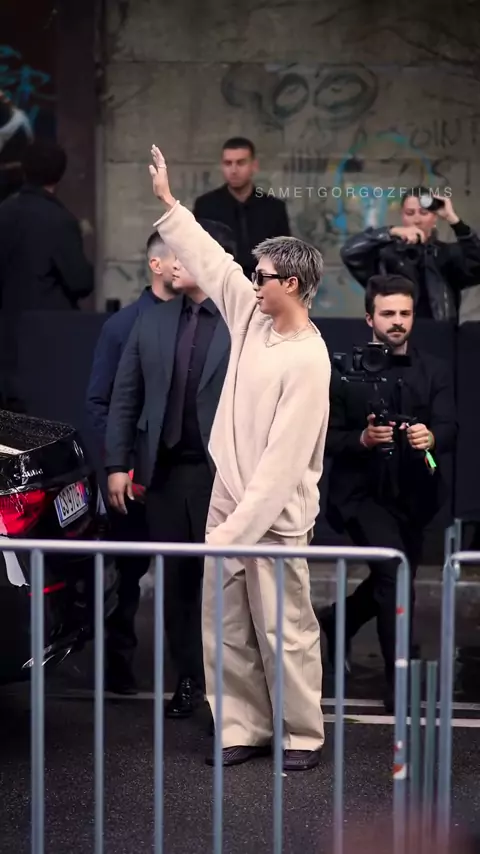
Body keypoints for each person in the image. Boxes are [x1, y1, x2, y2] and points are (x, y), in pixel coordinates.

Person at [149, 143, 331, 771]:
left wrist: (232, 533)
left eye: (264, 276)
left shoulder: (308, 358)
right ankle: (241, 726)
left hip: (276, 515)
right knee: (224, 623)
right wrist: (170, 204)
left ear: (293, 285)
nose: (252, 282)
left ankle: (301, 734)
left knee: (285, 629)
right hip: (229, 494)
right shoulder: (251, 316)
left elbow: (282, 466)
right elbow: (212, 260)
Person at [105, 219, 234, 718]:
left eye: (183, 253)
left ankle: (229, 690)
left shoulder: (241, 319)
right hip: (164, 474)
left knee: (222, 584)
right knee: (175, 583)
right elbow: (125, 395)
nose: (172, 263)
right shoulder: (153, 320)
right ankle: (188, 679)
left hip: (220, 474)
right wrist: (118, 464)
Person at [321, 274, 456, 712]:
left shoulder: (434, 369)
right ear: (369, 318)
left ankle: (339, 619)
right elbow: (325, 437)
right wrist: (361, 439)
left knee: (395, 578)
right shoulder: (345, 371)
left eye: (405, 313)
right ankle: (398, 682)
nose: (397, 321)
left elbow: (450, 427)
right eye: (388, 313)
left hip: (415, 494)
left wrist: (430, 437)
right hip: (361, 495)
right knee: (395, 576)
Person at [85, 231, 176, 694]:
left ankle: (189, 673)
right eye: (179, 255)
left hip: (181, 475)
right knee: (125, 576)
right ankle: (116, 664)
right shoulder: (123, 326)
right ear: (157, 264)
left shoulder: (201, 320)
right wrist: (120, 464)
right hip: (134, 476)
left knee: (187, 575)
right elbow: (101, 402)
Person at [0, 138, 94, 411]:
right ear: (60, 174)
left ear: (24, 169)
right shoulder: (59, 220)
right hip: (46, 341)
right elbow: (80, 282)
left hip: (6, 341)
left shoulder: (4, 212)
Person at [340, 186, 480, 321]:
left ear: (435, 217)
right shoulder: (386, 254)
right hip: (395, 331)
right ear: (402, 216)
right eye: (410, 213)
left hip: (440, 332)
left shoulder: (447, 254)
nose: (417, 220)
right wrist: (391, 231)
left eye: (423, 213)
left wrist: (454, 220)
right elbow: (350, 252)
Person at [193, 137, 290, 279]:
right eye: (228, 163)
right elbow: (197, 253)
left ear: (254, 166)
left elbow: (285, 258)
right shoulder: (205, 206)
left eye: (241, 163)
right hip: (217, 284)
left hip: (262, 285)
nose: (234, 170)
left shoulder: (274, 209)